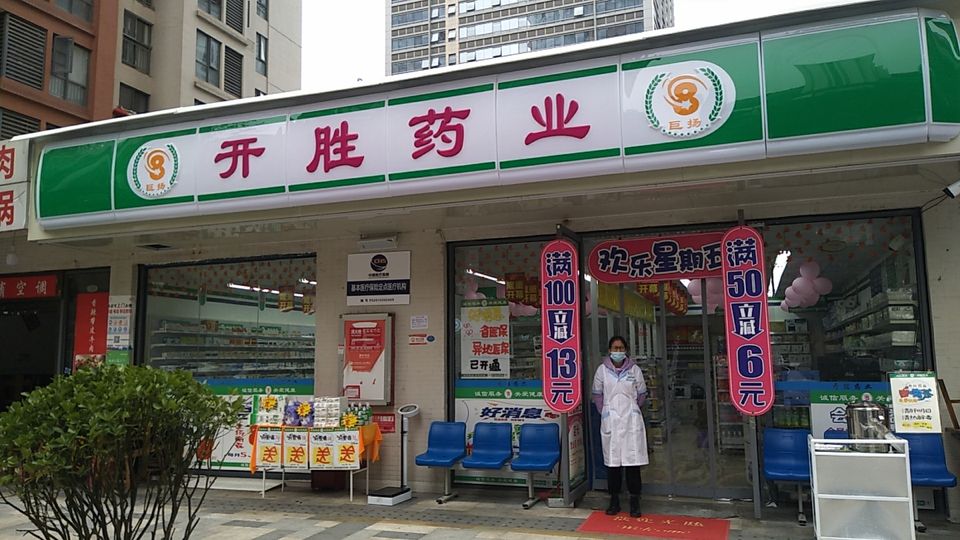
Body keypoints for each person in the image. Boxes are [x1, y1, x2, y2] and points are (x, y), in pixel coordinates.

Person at [592, 335, 648, 517]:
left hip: (631, 420)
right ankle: (614, 500)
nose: (618, 351)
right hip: (612, 420)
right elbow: (597, 394)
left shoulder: (634, 370)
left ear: (626, 350)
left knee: (633, 463)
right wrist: (605, 412)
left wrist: (632, 409)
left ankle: (635, 501)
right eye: (615, 348)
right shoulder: (602, 370)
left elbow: (642, 393)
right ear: (609, 350)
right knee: (613, 463)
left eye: (621, 348)